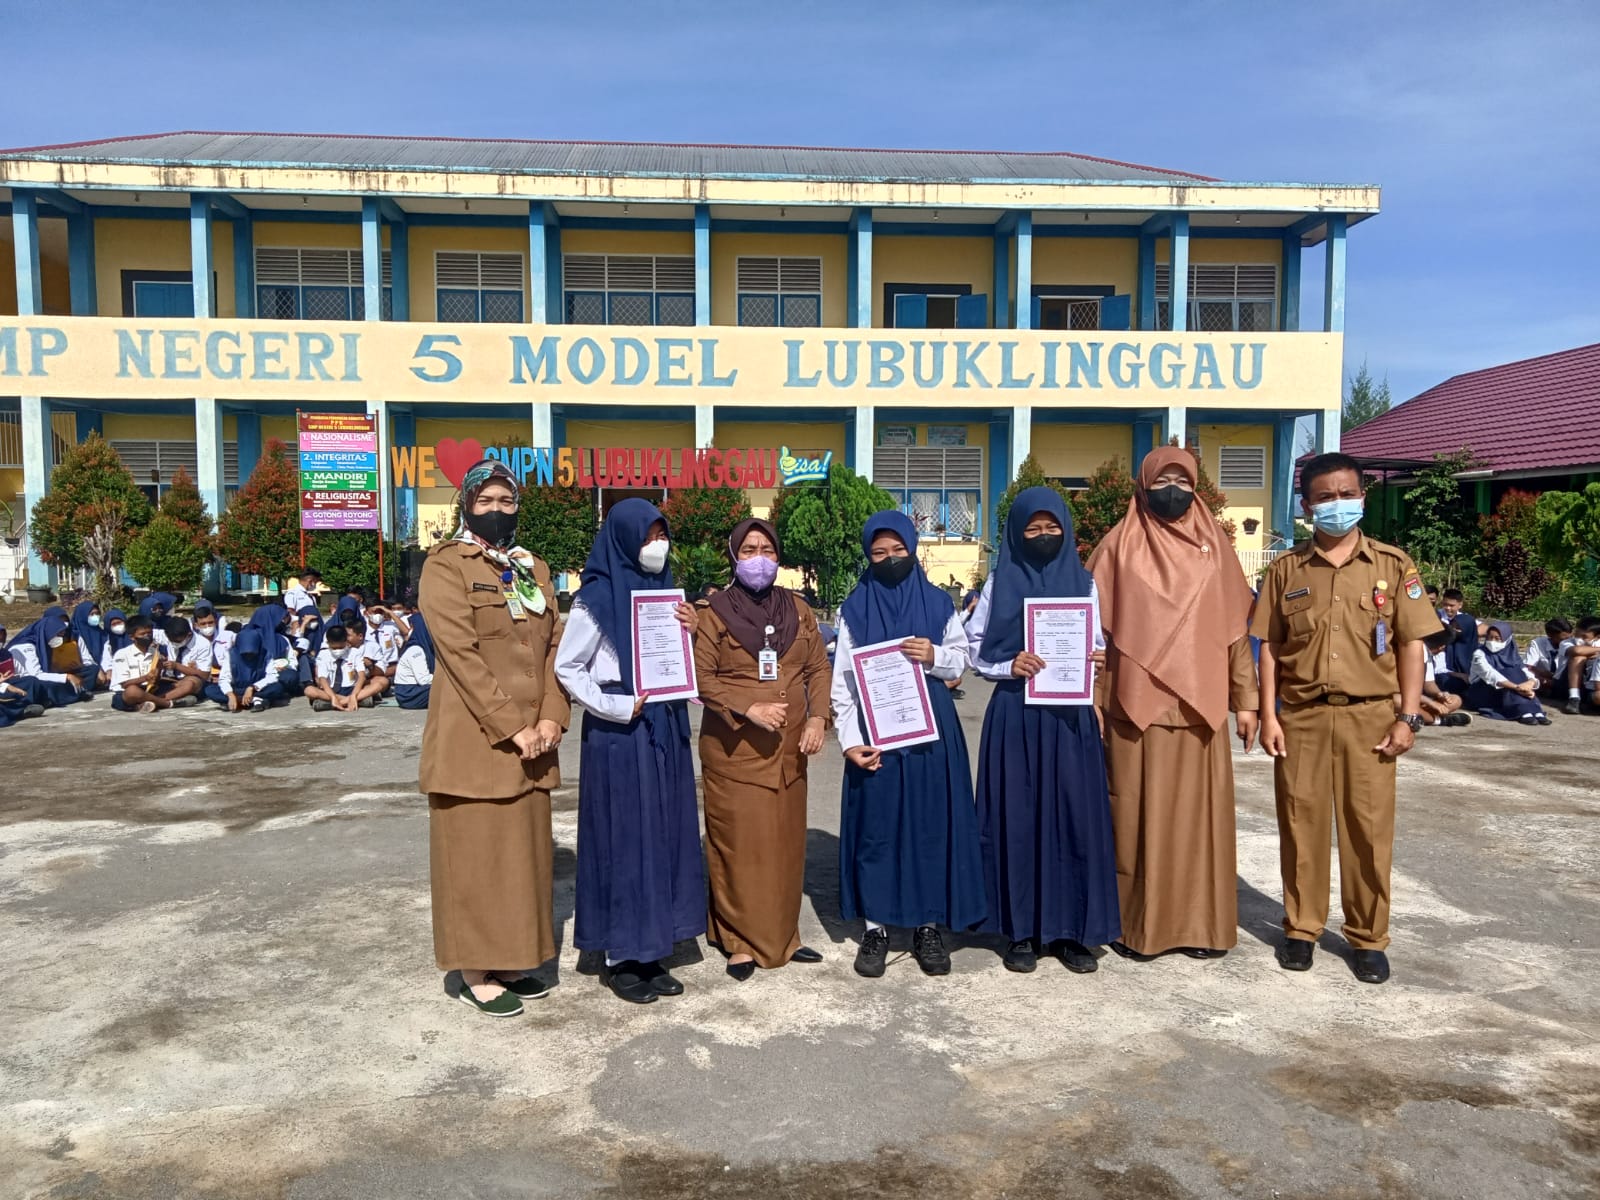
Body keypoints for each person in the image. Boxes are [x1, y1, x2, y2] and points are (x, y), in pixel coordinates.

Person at [1252, 452, 1440, 986]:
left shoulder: (1392, 566)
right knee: (1300, 827)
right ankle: (1302, 928)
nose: (1337, 505)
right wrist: (1269, 714)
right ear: (1307, 506)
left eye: (1346, 494)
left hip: (1372, 719)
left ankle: (1367, 937)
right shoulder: (1286, 570)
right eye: (1325, 497)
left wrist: (1408, 716)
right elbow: (1268, 647)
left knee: (1368, 831)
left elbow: (1410, 644)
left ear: (1363, 496)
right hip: (1304, 718)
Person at [1088, 447, 1259, 963]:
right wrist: (1090, 702)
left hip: (1200, 708)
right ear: (1142, 486)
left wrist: (1246, 701)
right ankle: (1138, 928)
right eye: (1162, 481)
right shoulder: (1117, 547)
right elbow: (1090, 635)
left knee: (1198, 823)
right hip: (1134, 709)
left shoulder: (1217, 548)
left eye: (1182, 482)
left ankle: (1201, 926)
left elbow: (1235, 633)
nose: (1173, 491)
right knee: (1135, 820)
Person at [419, 459, 570, 1019]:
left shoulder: (532, 568)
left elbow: (554, 646)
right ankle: (474, 969)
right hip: (478, 740)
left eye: (507, 502)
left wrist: (553, 716)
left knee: (517, 860)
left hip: (536, 739)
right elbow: (461, 657)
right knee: (476, 856)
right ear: (466, 504)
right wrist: (515, 726)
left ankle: (508, 960)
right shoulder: (446, 566)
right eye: (486, 502)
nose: (498, 512)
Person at [555, 499, 705, 1004]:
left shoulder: (666, 596)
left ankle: (654, 950)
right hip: (621, 733)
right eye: (646, 536)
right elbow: (568, 668)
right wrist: (615, 705)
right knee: (625, 838)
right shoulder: (594, 599)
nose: (656, 546)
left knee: (664, 834)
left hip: (665, 726)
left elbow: (683, 666)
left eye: (661, 534)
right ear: (622, 539)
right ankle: (622, 955)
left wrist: (691, 633)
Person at [965, 487, 1118, 974]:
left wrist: (1098, 657)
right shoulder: (998, 583)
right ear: (1016, 533)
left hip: (1069, 718)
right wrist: (1010, 663)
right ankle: (1021, 931)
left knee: (1073, 818)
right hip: (1016, 715)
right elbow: (973, 648)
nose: (1044, 536)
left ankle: (1072, 932)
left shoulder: (1086, 583)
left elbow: (1095, 641)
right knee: (1019, 820)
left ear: (1066, 531)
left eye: (1053, 527)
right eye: (1033, 528)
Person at [832, 510, 985, 978]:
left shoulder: (939, 605)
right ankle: (876, 928)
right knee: (878, 829)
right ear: (867, 557)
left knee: (928, 825)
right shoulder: (853, 609)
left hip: (932, 733)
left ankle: (926, 925)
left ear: (912, 549)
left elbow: (962, 660)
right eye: (879, 553)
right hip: (876, 734)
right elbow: (843, 684)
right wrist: (850, 741)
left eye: (898, 550)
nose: (890, 559)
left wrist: (934, 655)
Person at [694, 517, 832, 980]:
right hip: (735, 753)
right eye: (749, 549)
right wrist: (747, 706)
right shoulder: (714, 613)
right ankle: (739, 942)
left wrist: (817, 717)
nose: (759, 559)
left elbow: (817, 668)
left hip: (789, 754)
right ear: (735, 556)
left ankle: (783, 937)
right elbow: (702, 678)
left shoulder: (798, 610)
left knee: (785, 847)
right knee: (740, 848)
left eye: (767, 550)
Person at [1466, 620, 1551, 725]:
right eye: (1489, 637)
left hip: (1507, 691)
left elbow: (1525, 671)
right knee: (1508, 672)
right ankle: (1526, 710)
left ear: (1507, 640)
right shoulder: (1479, 654)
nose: (1492, 642)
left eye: (1497, 639)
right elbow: (1491, 675)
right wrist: (1517, 688)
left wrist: (1530, 683)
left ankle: (1530, 710)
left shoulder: (1512, 655)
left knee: (1516, 671)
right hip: (1484, 692)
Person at [5, 607, 91, 709]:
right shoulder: (26, 646)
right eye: (58, 635)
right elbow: (36, 674)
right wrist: (66, 676)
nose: (60, 639)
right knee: (51, 685)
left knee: (65, 681)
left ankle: (74, 692)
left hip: (39, 678)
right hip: (25, 681)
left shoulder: (44, 643)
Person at [109, 616, 196, 712]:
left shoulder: (155, 652)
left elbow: (157, 680)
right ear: (132, 637)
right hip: (130, 690)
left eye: (149, 633)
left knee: (188, 684)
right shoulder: (122, 654)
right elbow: (125, 684)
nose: (147, 636)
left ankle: (149, 703)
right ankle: (167, 703)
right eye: (143, 634)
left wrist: (159, 669)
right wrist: (145, 678)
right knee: (132, 691)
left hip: (152, 689)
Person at [157, 617, 210, 705]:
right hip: (168, 679)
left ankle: (157, 701)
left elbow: (204, 675)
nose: (174, 643)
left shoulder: (203, 644)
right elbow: (147, 633)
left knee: (189, 684)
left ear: (188, 634)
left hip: (189, 681)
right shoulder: (168, 634)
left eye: (177, 641)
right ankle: (172, 700)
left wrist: (177, 666)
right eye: (171, 641)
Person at [393, 612, 435, 710]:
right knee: (445, 688)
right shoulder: (416, 650)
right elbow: (423, 680)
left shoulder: (426, 648)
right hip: (409, 695)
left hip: (415, 691)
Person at [1559, 616, 1600, 714]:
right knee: (1578, 657)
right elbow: (1577, 650)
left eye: (1584, 637)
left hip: (1590, 683)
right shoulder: (1566, 642)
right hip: (1565, 682)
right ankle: (1574, 698)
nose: (1579, 639)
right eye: (1577, 634)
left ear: (1597, 637)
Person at [1524, 618, 1572, 698]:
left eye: (1569, 638)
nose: (1566, 642)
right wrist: (1541, 675)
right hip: (1542, 679)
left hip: (1562, 680)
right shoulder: (1538, 643)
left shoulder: (1572, 644)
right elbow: (1529, 666)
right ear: (1550, 635)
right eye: (1562, 639)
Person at [69, 601, 110, 691]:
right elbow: (85, 658)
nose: (96, 617)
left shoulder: (102, 634)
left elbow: (106, 655)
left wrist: (108, 670)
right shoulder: (75, 635)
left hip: (100, 669)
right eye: (92, 614)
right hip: (82, 668)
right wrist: (97, 670)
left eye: (97, 613)